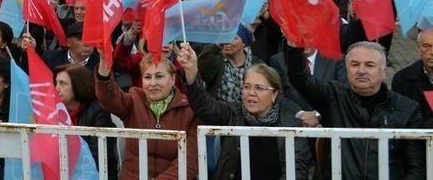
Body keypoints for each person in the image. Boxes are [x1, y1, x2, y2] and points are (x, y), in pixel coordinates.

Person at [285, 41, 425, 178]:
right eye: (354, 64)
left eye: (369, 65)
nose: (361, 70)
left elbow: (416, 167)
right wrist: (295, 46)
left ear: (383, 72)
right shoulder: (333, 96)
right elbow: (301, 79)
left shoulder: (407, 109)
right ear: (347, 70)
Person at [177, 43, 311, 179]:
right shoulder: (233, 113)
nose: (251, 93)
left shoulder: (291, 126)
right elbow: (204, 105)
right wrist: (192, 72)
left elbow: (297, 171)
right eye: (247, 87)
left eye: (259, 88)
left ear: (274, 94)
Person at [95, 50, 198, 179]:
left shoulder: (190, 110)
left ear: (172, 79)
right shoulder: (134, 99)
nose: (153, 83)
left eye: (159, 76)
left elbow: (190, 161)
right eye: (147, 77)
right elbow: (109, 99)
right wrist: (104, 68)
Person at [54, 64, 118, 178]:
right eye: (56, 83)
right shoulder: (54, 112)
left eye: (62, 83)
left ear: (78, 85)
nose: (56, 88)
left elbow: (98, 155)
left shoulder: (99, 112)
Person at [269, 47, 347, 127]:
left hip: (330, 125)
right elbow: (277, 94)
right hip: (294, 125)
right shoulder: (278, 60)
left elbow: (342, 93)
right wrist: (301, 114)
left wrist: (318, 115)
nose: (304, 42)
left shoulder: (336, 58)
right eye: (300, 38)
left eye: (308, 37)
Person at [392, 29, 433, 124]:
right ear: (418, 48)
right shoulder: (402, 79)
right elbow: (400, 119)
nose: (432, 52)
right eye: (426, 46)